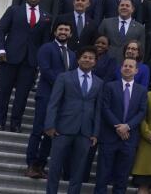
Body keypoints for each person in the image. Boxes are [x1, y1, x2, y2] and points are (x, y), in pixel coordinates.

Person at [44, 46, 102, 194]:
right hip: (63, 128)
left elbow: (98, 109)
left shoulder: (99, 83)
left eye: (91, 58)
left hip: (85, 132)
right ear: (78, 59)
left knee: (78, 171)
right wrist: (50, 125)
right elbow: (54, 102)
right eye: (85, 57)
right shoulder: (64, 77)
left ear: (95, 62)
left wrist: (95, 133)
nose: (87, 60)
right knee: (55, 168)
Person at [0, 0, 51, 131]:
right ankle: (0, 121)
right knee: (4, 91)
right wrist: (0, 50)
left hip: (30, 62)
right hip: (9, 58)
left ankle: (15, 123)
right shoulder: (14, 10)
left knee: (22, 95)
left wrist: (41, 62)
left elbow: (44, 43)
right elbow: (1, 30)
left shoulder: (45, 16)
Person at [26, 21, 74, 179]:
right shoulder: (47, 48)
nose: (63, 32)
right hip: (46, 95)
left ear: (70, 34)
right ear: (55, 33)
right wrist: (62, 85)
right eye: (60, 29)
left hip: (61, 100)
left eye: (66, 30)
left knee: (50, 132)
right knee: (38, 130)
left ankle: (41, 165)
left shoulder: (72, 54)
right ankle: (31, 164)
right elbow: (45, 70)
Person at [97, 57, 148, 194]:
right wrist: (119, 127)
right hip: (109, 138)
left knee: (122, 179)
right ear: (121, 68)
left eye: (131, 66)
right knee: (102, 176)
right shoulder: (110, 86)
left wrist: (128, 126)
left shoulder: (142, 91)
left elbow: (142, 112)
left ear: (136, 71)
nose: (127, 68)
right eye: (125, 65)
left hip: (129, 140)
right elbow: (105, 108)